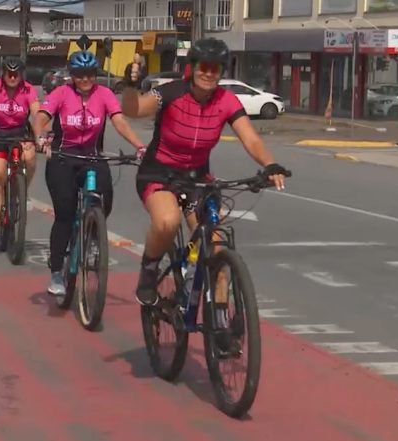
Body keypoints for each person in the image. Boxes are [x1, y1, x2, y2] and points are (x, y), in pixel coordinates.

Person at [120, 38, 288, 306]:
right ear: (193, 67)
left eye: (215, 68)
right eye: (203, 67)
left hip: (197, 179)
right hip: (159, 175)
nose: (209, 73)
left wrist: (270, 164)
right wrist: (129, 86)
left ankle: (220, 327)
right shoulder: (171, 92)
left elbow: (252, 139)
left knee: (218, 252)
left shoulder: (227, 101)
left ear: (222, 71)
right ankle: (149, 271)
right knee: (167, 222)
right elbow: (135, 109)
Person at [31, 50, 147, 296]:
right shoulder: (61, 93)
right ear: (72, 75)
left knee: (105, 200)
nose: (85, 79)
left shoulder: (104, 94)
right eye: (80, 74)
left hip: (92, 157)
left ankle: (93, 235)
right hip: (64, 158)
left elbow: (119, 121)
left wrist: (139, 146)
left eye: (90, 74)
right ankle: (56, 271)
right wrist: (40, 137)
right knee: (64, 214)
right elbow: (40, 118)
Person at [0, 57, 40, 240]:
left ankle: (22, 192)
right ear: (3, 74)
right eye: (9, 74)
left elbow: (37, 114)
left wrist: (41, 136)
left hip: (21, 133)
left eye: (16, 74)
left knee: (30, 158)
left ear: (21, 75)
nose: (12, 77)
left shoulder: (28, 89)